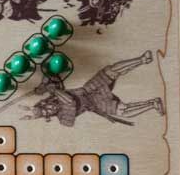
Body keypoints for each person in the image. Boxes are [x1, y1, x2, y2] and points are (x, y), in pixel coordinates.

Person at [22, 51, 164, 127]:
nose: (49, 109)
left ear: (44, 102)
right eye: (46, 112)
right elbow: (69, 101)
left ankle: (142, 59)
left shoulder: (54, 95)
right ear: (48, 117)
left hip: (89, 89)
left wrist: (44, 84)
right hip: (96, 104)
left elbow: (52, 76)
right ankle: (152, 104)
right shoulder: (64, 119)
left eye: (45, 107)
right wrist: (53, 90)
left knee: (110, 71)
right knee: (123, 110)